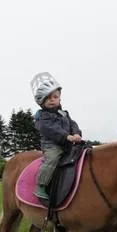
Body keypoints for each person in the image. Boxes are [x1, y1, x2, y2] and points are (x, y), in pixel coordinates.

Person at [31, 72, 82, 200]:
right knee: (52, 159)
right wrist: (67, 136)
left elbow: (72, 124)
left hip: (68, 143)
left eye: (55, 96)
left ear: (59, 98)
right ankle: (41, 185)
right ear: (42, 102)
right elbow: (50, 129)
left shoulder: (64, 114)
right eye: (48, 98)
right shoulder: (43, 117)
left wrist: (76, 133)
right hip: (52, 145)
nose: (52, 99)